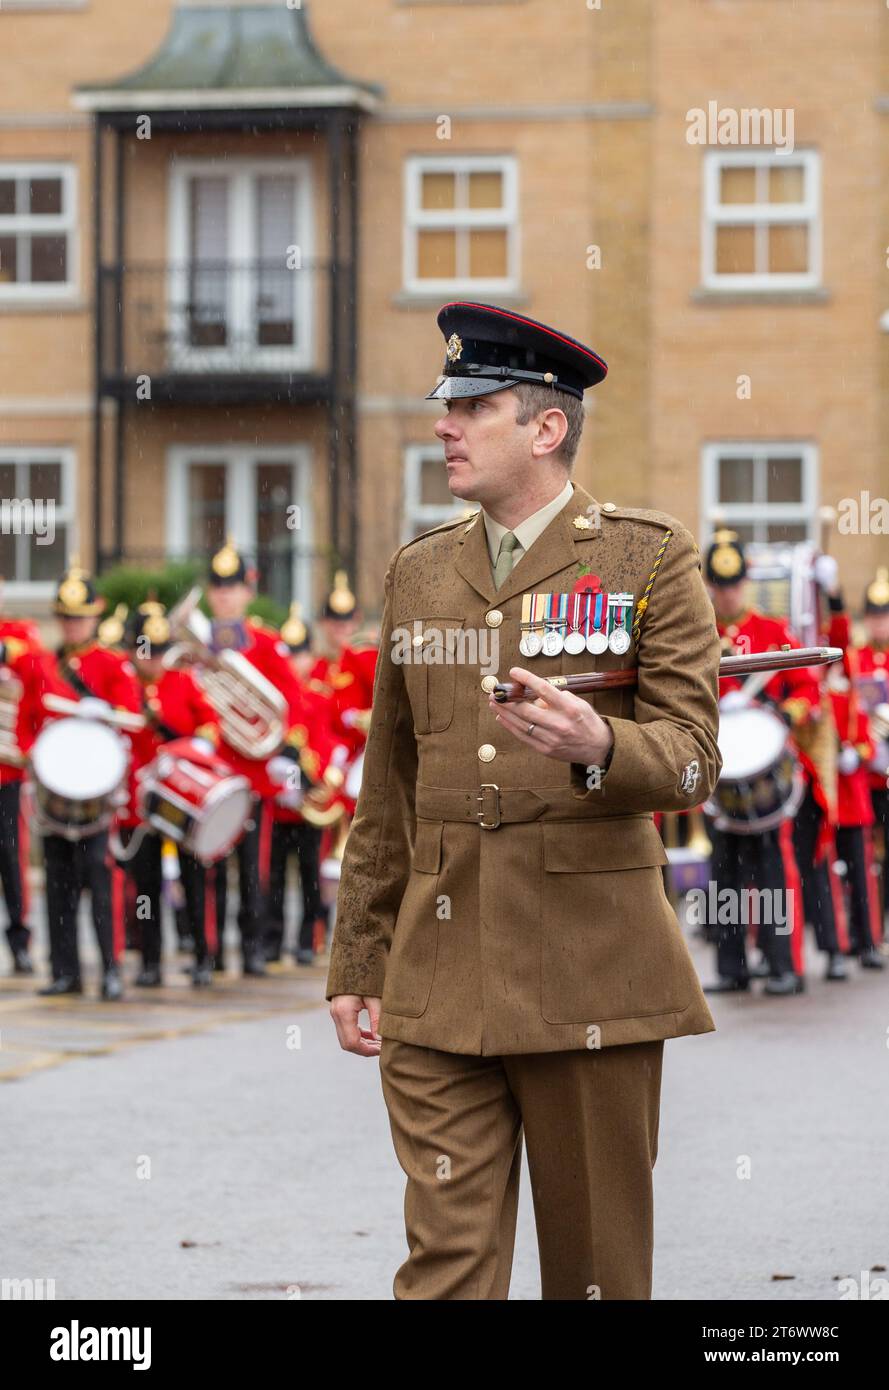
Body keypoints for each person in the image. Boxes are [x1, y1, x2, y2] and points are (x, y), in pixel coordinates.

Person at [326, 300, 722, 1300]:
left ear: (546, 429)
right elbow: (390, 784)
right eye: (444, 403)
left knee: (595, 1274)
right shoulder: (419, 573)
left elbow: (690, 761)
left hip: (588, 973)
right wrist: (358, 957)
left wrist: (603, 742)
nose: (443, 424)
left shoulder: (646, 556)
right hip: (438, 976)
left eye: (473, 405)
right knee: (445, 1270)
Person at [32, 564, 142, 999]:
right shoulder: (45, 664)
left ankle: (110, 969)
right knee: (57, 884)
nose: (72, 625)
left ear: (94, 616)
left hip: (97, 793)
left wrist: (104, 712)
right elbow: (30, 721)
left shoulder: (113, 665)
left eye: (79, 617)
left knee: (100, 882)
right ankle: (65, 971)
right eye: (65, 617)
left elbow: (134, 722)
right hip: (55, 791)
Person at [116, 602, 225, 987]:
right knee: (145, 888)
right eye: (147, 650)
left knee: (194, 881)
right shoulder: (123, 685)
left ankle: (201, 957)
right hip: (141, 804)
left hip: (181, 798)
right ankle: (149, 961)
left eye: (160, 651)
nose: (154, 659)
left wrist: (190, 751)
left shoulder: (181, 682)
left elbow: (210, 728)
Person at [264, 604, 346, 965]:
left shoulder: (319, 695)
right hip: (281, 801)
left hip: (311, 800)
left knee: (311, 874)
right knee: (275, 875)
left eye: (300, 654)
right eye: (289, 654)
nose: (294, 662)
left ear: (310, 656)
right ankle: (272, 938)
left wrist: (322, 776)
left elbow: (326, 741)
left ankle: (309, 937)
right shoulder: (273, 697)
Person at [0, 598, 43, 974]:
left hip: (6, 773)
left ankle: (19, 941)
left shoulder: (19, 634)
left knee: (11, 860)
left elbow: (37, 669)